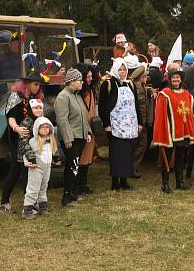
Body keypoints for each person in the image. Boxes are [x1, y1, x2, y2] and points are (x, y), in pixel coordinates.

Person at [0, 72, 44, 213]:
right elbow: (10, 117)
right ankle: (4, 203)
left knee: (29, 169)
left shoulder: (35, 99)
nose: (37, 87)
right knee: (15, 170)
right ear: (28, 83)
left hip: (31, 138)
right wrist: (17, 128)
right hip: (16, 137)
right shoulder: (15, 97)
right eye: (35, 84)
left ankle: (29, 202)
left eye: (39, 85)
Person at [99, 57, 142, 191]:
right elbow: (102, 106)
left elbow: (136, 104)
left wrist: (139, 122)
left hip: (129, 124)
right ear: (115, 70)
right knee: (116, 153)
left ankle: (124, 181)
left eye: (124, 69)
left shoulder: (130, 84)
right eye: (120, 69)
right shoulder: (107, 84)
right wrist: (106, 124)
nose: (122, 72)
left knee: (127, 153)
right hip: (115, 125)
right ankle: (115, 182)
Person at [152, 69, 194, 193]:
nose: (175, 80)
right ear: (170, 80)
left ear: (181, 79)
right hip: (170, 132)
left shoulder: (187, 94)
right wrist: (161, 132)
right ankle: (165, 184)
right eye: (173, 78)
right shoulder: (165, 94)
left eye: (178, 77)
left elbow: (188, 114)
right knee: (167, 158)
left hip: (183, 131)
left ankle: (179, 182)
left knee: (181, 158)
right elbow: (160, 115)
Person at [55, 68, 94, 207]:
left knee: (75, 166)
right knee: (71, 166)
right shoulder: (63, 97)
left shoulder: (77, 95)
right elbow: (62, 120)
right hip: (72, 138)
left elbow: (84, 116)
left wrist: (88, 132)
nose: (82, 82)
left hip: (80, 136)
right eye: (79, 80)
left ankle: (72, 193)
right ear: (71, 81)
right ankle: (66, 197)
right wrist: (67, 138)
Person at [22, 116, 59, 219]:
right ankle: (27, 209)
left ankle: (42, 206)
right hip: (36, 168)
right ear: (37, 129)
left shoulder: (51, 140)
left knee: (43, 187)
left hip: (47, 168)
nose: (45, 129)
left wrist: (55, 160)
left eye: (47, 127)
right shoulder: (33, 141)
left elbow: (54, 152)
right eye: (42, 127)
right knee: (33, 188)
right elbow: (26, 154)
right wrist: (27, 163)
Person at [77, 63, 100, 195]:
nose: (90, 79)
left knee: (87, 158)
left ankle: (83, 184)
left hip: (91, 128)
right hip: (81, 129)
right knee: (81, 158)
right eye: (88, 77)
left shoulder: (91, 91)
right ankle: (78, 185)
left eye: (91, 76)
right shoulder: (79, 93)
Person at [128, 56, 151, 179]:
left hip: (141, 121)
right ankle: (132, 167)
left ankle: (131, 167)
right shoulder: (137, 87)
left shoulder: (141, 86)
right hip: (138, 122)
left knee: (140, 144)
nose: (146, 78)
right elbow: (138, 106)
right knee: (140, 144)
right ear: (141, 77)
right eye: (145, 76)